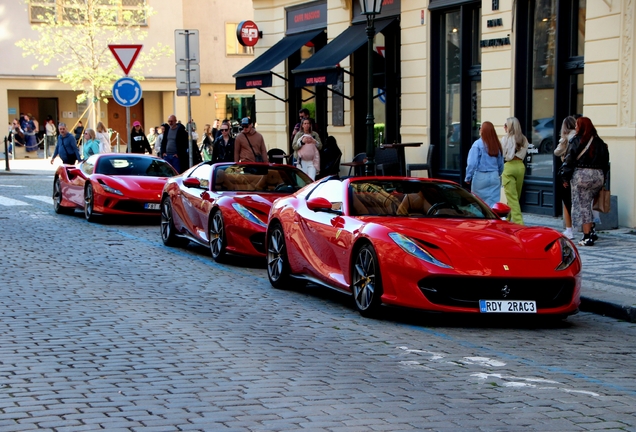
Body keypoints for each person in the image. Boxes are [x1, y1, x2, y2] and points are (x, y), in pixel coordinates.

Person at [559, 116, 609, 246]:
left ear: (581, 127)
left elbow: (569, 160)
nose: (575, 127)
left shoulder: (576, 141)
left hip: (582, 176)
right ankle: (591, 230)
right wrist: (604, 180)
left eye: (577, 125)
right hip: (598, 176)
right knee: (591, 204)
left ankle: (587, 237)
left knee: (583, 206)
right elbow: (606, 163)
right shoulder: (600, 143)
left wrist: (564, 177)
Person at [464, 121, 504, 207]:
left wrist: (468, 177)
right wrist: (497, 173)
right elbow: (501, 163)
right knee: (493, 205)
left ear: (482, 131)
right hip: (494, 176)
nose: (479, 130)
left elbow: (472, 163)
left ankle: (481, 220)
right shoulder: (496, 144)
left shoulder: (477, 144)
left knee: (478, 204)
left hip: (480, 176)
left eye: (480, 128)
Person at [500, 117, 529, 224]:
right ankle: (508, 218)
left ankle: (519, 223)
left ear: (510, 127)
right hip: (520, 166)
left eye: (505, 125)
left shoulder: (505, 139)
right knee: (515, 195)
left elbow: (502, 154)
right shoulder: (523, 139)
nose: (504, 127)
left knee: (512, 197)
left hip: (509, 166)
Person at [554, 116, 577, 239]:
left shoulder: (567, 139)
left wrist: (562, 140)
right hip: (579, 171)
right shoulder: (580, 137)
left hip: (568, 171)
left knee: (567, 200)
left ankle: (569, 230)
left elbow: (557, 152)